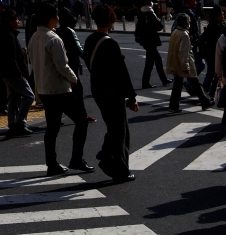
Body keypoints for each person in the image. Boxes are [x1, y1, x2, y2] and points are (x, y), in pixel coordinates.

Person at [27, 3, 92, 177]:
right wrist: (74, 78)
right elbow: (62, 66)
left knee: (52, 128)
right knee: (81, 121)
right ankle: (76, 159)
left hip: (44, 89)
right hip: (59, 89)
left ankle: (52, 163)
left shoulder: (34, 37)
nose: (58, 19)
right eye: (56, 16)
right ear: (50, 19)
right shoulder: (53, 38)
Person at [84, 3, 140, 182]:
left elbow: (92, 63)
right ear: (111, 19)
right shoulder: (110, 43)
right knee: (120, 130)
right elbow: (121, 73)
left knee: (113, 126)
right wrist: (131, 97)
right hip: (113, 92)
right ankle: (119, 169)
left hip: (98, 89)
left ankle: (107, 154)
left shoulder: (90, 40)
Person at [0, 9, 34, 136]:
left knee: (13, 98)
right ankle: (20, 123)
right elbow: (12, 58)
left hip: (6, 73)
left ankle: (12, 124)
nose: (18, 21)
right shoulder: (9, 36)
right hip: (14, 73)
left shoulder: (4, 34)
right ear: (10, 22)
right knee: (29, 96)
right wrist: (18, 73)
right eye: (16, 19)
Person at [168, 14, 213, 112]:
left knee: (178, 85)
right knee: (195, 82)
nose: (190, 23)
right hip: (184, 63)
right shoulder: (184, 35)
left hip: (177, 62)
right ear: (185, 23)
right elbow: (184, 52)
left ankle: (173, 105)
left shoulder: (175, 32)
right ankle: (205, 101)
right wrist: (186, 66)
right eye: (188, 21)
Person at [135, 0, 170, 88]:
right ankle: (149, 82)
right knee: (153, 62)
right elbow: (159, 27)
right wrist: (158, 20)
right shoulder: (150, 13)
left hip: (145, 41)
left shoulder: (141, 13)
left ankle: (161, 80)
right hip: (151, 40)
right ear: (148, 3)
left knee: (153, 61)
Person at [199, 5, 226, 95]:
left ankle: (210, 92)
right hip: (213, 54)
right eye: (222, 14)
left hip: (212, 54)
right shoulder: (215, 27)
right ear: (218, 15)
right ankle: (205, 92)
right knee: (212, 73)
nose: (224, 16)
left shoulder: (217, 25)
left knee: (214, 73)